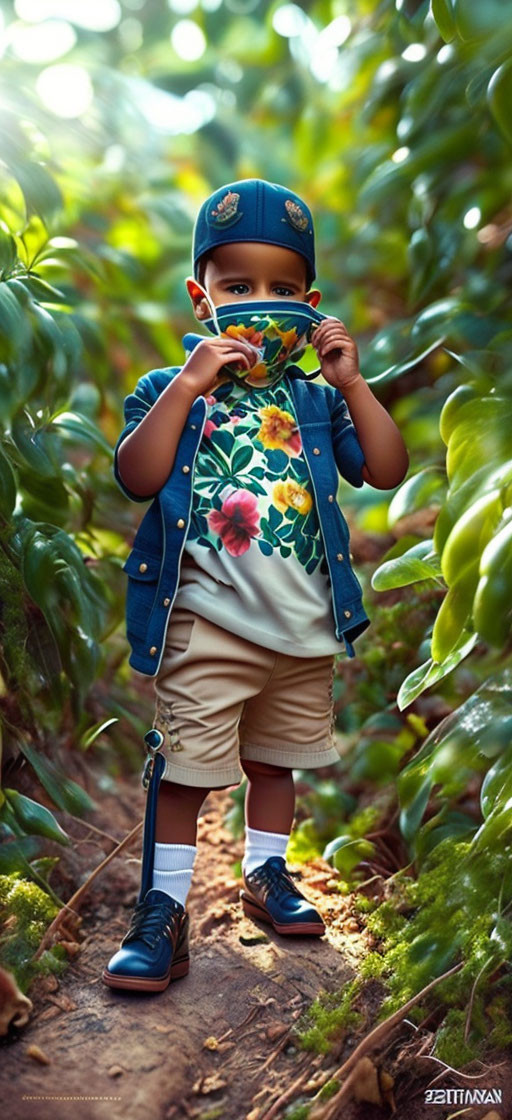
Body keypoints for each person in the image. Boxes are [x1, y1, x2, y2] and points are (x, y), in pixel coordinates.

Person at [102, 179, 409, 992]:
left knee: (277, 765)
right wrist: (186, 385)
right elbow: (136, 476)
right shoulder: (174, 389)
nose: (260, 305)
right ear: (204, 299)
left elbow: (385, 468)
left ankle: (266, 875)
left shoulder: (316, 399)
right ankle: (160, 914)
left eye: (281, 289)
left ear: (310, 306)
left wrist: (351, 381)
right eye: (239, 288)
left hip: (303, 629)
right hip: (205, 623)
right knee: (188, 772)